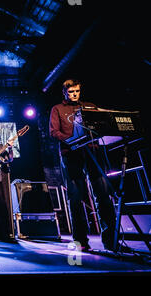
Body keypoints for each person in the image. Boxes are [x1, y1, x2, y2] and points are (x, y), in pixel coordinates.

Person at [49, 79, 119, 252]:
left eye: (77, 91)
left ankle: (111, 241)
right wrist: (71, 141)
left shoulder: (89, 106)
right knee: (75, 197)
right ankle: (81, 241)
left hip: (92, 152)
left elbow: (102, 123)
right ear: (64, 92)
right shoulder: (58, 109)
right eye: (71, 91)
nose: (74, 94)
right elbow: (54, 131)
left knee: (103, 195)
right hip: (71, 154)